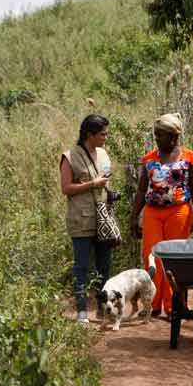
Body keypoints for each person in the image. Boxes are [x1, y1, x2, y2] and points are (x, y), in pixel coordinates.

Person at [130, 113, 193, 317]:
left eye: (160, 135)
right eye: (155, 135)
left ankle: (173, 306)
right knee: (151, 258)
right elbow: (141, 190)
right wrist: (134, 216)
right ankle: (152, 304)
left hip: (179, 212)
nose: (156, 138)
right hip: (153, 213)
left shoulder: (190, 158)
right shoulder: (149, 159)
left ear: (173, 136)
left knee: (174, 259)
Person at [60, 114, 113, 323]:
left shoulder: (103, 154)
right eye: (103, 134)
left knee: (104, 265)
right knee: (81, 267)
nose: (106, 137)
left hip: (103, 218)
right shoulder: (70, 156)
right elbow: (66, 188)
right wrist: (92, 184)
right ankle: (82, 311)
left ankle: (103, 308)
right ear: (90, 134)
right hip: (81, 219)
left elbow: (105, 181)